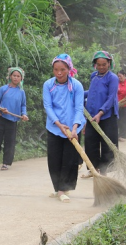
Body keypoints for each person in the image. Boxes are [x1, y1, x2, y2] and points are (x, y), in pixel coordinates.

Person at [43, 53, 86, 203]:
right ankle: (58, 189)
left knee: (69, 160)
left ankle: (63, 189)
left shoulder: (76, 86)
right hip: (55, 127)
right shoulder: (48, 85)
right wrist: (59, 124)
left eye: (62, 69)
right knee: (54, 159)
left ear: (69, 68)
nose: (59, 73)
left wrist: (74, 128)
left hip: (72, 129)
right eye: (56, 69)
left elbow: (79, 108)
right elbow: (48, 106)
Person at [0, 67, 29, 171]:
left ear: (21, 78)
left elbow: (23, 105)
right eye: (14, 76)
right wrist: (1, 108)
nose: (16, 78)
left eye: (18, 76)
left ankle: (5, 163)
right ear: (10, 76)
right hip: (0, 118)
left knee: (9, 141)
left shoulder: (21, 92)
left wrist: (24, 114)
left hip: (12, 120)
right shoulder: (3, 89)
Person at [81, 51, 119, 178]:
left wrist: (101, 113)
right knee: (90, 141)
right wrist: (78, 93)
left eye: (104, 64)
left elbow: (111, 97)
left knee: (107, 143)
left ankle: (104, 170)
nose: (101, 67)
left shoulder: (113, 78)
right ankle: (93, 169)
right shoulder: (94, 76)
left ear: (109, 63)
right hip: (92, 115)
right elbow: (91, 92)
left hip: (107, 115)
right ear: (95, 65)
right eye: (99, 64)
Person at [117, 69, 126, 142]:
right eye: (118, 76)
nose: (119, 78)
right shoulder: (116, 83)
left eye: (120, 76)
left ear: (124, 75)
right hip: (117, 105)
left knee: (124, 121)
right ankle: (117, 135)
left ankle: (123, 136)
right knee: (117, 120)